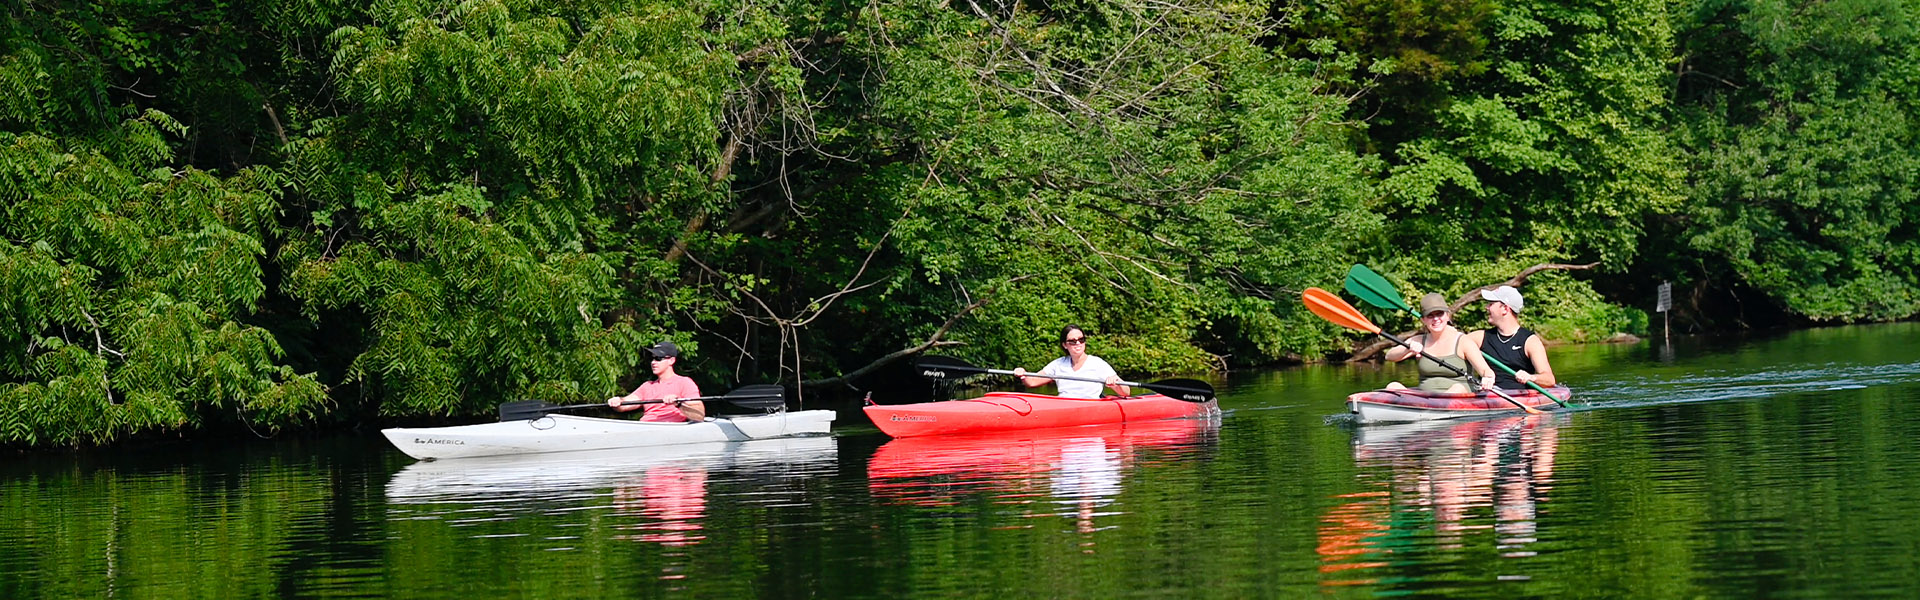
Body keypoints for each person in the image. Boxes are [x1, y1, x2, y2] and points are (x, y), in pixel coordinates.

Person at [1384, 293, 1492, 393]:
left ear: (1447, 316)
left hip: (1459, 396)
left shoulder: (1463, 341)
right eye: (1430, 315)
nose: (1436, 319)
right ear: (1423, 320)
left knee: (1457, 388)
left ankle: (1433, 409)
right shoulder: (1418, 340)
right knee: (1393, 386)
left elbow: (1486, 371)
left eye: (1439, 314)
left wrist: (1487, 378)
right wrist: (1407, 348)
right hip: (1425, 399)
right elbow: (1389, 356)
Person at [1462, 286, 1558, 390]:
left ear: (1505, 309)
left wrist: (1531, 377)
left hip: (1518, 397)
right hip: (1487, 395)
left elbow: (1549, 379)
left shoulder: (1530, 342)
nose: (1487, 307)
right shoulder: (1479, 337)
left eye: (1491, 304)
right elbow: (1454, 341)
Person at [1011, 325, 1131, 398]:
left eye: (1081, 339)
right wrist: (1023, 374)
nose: (1078, 343)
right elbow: (1032, 382)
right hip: (1064, 407)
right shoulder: (1058, 364)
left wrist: (1116, 385)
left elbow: (1126, 392)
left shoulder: (1097, 364)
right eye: (1072, 341)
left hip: (1090, 408)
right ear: (1064, 345)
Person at [607, 341, 706, 422]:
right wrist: (618, 402)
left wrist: (679, 403)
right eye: (653, 358)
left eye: (658, 358)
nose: (653, 362)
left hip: (670, 432)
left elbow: (699, 415)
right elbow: (625, 405)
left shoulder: (684, 383)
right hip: (645, 430)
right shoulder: (647, 386)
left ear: (671, 360)